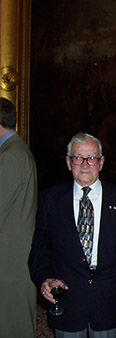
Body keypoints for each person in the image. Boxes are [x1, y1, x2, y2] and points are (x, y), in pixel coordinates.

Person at [28, 132, 116, 338]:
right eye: (78, 157)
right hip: (67, 303)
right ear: (69, 162)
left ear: (101, 162)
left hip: (109, 305)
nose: (85, 164)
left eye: (91, 157)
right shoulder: (50, 200)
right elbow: (39, 250)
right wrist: (44, 279)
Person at [0, 98, 38, 337]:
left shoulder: (10, 156)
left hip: (9, 258)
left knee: (12, 324)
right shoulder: (17, 149)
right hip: (14, 255)